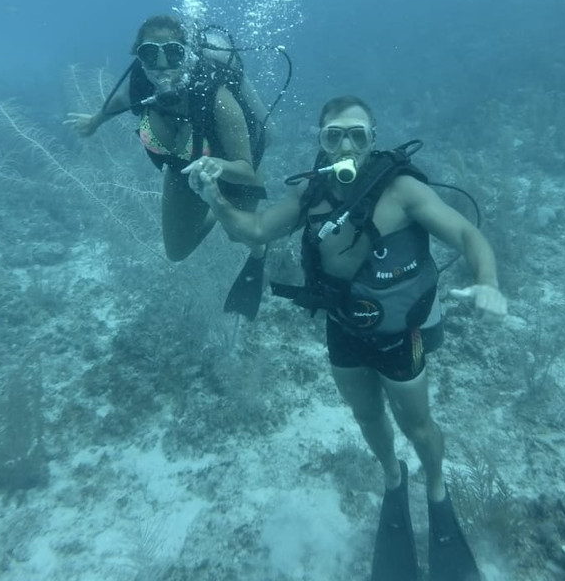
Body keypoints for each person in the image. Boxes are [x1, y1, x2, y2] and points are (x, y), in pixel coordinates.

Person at [182, 95, 507, 581]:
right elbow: (250, 230)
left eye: (357, 133)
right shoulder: (310, 195)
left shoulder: (402, 191)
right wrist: (214, 197)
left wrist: (489, 282)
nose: (346, 144)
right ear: (321, 141)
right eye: (334, 135)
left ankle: (436, 488)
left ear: (374, 140)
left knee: (417, 424)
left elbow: (466, 235)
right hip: (345, 329)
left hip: (402, 334)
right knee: (366, 414)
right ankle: (393, 478)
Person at [66, 14, 269, 317]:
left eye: (173, 53)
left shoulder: (217, 96)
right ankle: (216, 209)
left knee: (239, 236)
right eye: (150, 53)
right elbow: (118, 102)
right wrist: (95, 121)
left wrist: (215, 167)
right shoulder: (139, 81)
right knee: (176, 251)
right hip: (184, 173)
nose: (161, 65)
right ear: (140, 56)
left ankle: (258, 250)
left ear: (187, 55)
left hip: (234, 173)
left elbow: (246, 169)